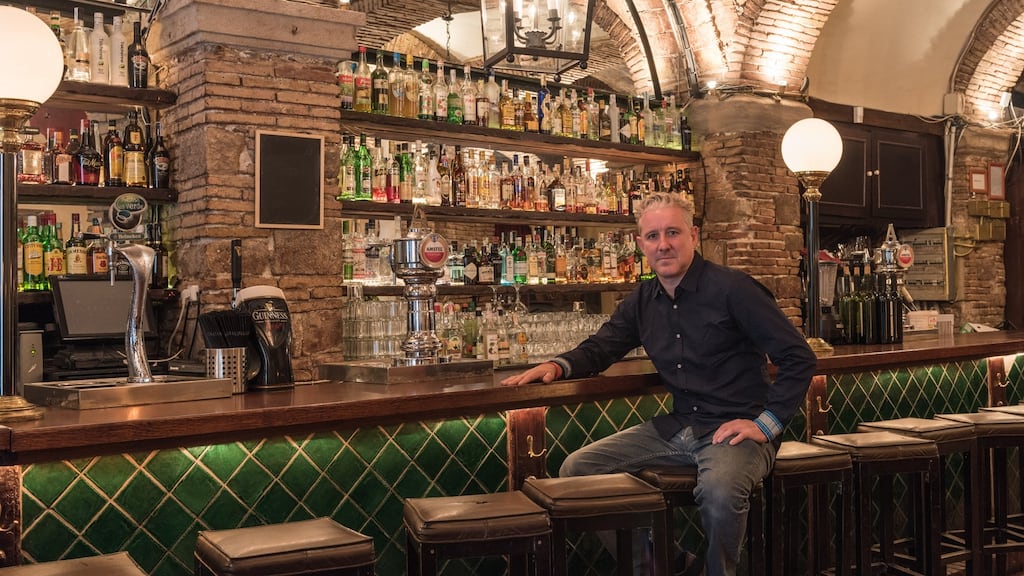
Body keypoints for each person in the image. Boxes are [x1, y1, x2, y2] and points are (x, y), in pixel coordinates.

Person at [501, 191, 817, 576]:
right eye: (652, 236)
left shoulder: (734, 289)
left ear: (694, 235)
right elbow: (603, 346)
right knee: (577, 471)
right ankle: (664, 566)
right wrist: (557, 365)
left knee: (719, 493)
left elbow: (798, 357)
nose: (663, 244)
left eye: (672, 232)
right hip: (679, 427)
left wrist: (764, 424)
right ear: (640, 244)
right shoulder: (643, 299)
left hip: (737, 430)